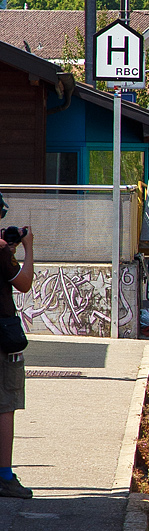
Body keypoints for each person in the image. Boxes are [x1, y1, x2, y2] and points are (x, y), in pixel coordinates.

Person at [0, 206, 36, 500]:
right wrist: (27, 248)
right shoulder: (0, 250)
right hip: (2, 337)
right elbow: (23, 284)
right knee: (4, 404)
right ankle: (4, 477)